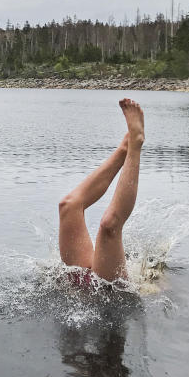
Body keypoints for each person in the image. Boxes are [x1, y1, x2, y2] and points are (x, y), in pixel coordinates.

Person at [58, 98, 145, 283]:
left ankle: (132, 146)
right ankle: (127, 148)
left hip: (103, 291)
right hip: (101, 290)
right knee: (78, 211)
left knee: (73, 207)